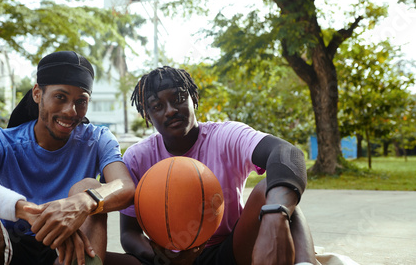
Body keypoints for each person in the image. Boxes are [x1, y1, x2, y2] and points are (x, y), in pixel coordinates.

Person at [0, 51, 135, 265]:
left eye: (81, 101)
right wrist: (28, 211)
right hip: (5, 249)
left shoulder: (98, 138)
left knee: (90, 187)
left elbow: (124, 186)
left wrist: (83, 203)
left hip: (67, 249)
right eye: (60, 97)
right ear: (37, 93)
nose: (70, 111)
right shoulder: (2, 141)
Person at [108, 66, 317, 265]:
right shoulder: (137, 157)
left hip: (229, 250)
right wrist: (162, 260)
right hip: (166, 258)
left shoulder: (226, 136)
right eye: (157, 106)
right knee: (88, 257)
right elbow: (129, 233)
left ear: (194, 98)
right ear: (147, 115)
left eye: (178, 98)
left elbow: (288, 154)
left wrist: (274, 216)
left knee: (273, 192)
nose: (170, 111)